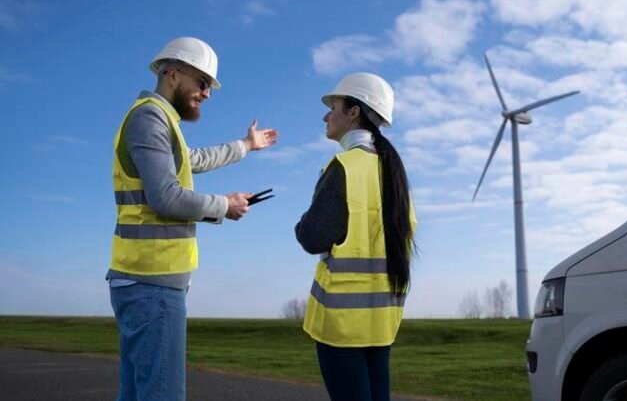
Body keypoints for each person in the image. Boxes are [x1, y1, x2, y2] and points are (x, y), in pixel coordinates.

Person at [107, 36, 278, 401]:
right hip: (151, 283)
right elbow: (166, 197)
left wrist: (245, 146)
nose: (207, 93)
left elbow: (193, 160)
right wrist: (223, 206)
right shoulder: (149, 119)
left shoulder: (161, 120)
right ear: (172, 74)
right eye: (202, 83)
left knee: (138, 392)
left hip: (143, 281)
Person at [295, 72, 417, 401]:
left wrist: (303, 221)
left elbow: (312, 237)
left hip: (342, 326)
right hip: (382, 323)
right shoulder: (394, 172)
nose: (325, 114)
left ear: (353, 112)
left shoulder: (344, 166)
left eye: (333, 105)